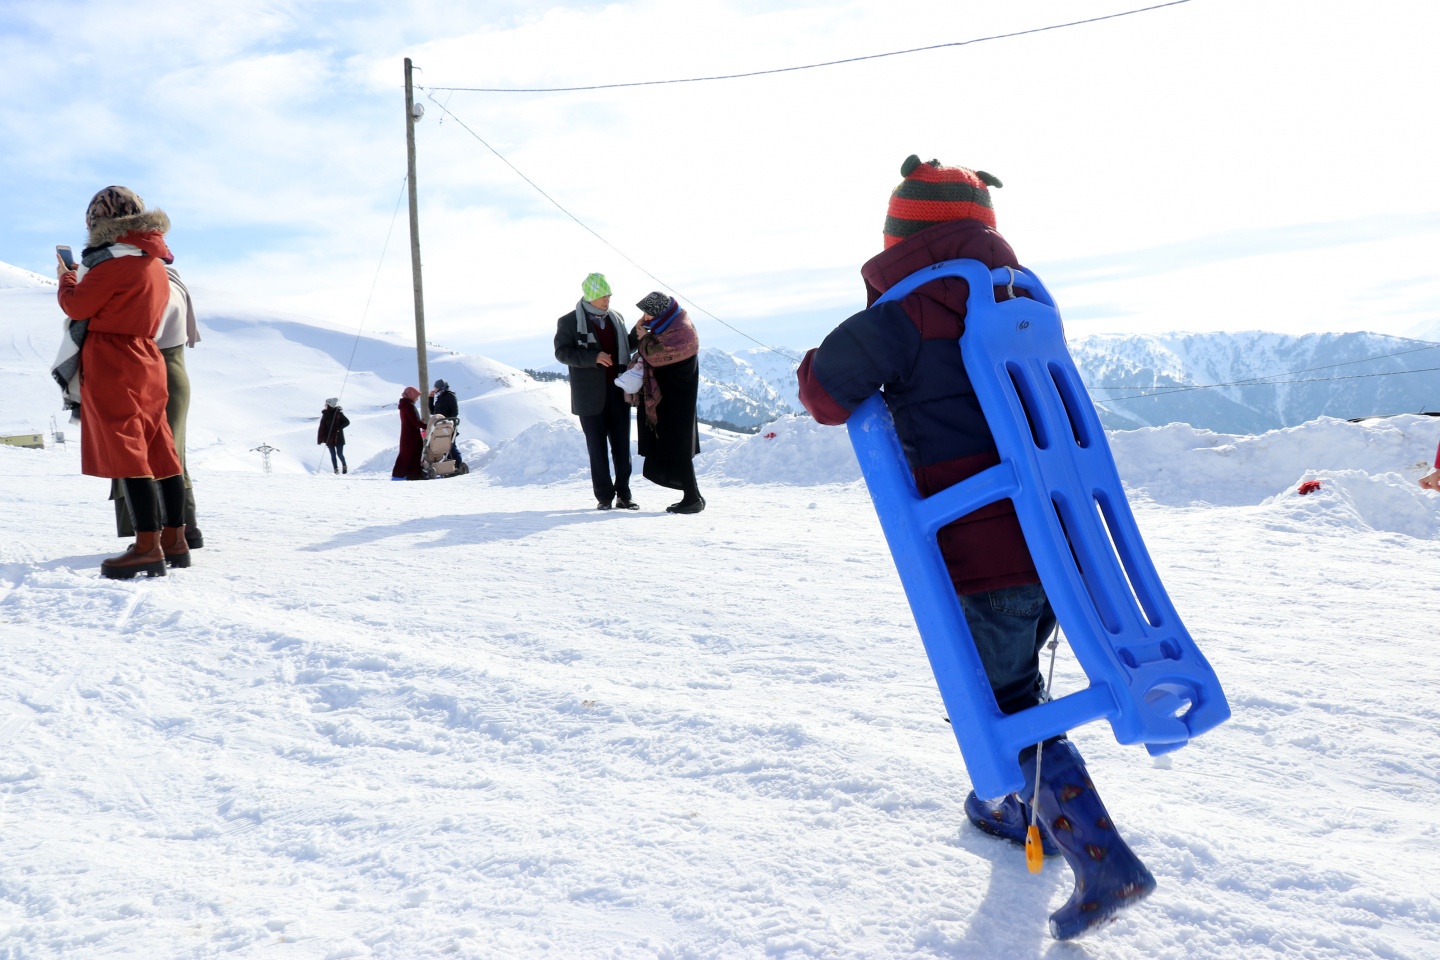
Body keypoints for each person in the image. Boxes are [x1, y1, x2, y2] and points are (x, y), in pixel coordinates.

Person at [797, 156, 1154, 940]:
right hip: (1060, 542)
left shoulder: (912, 309)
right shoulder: (1024, 301)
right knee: (1017, 678)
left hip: (984, 550)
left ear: (900, 238)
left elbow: (825, 393)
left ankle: (1102, 860)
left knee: (1003, 702)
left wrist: (819, 360)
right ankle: (1020, 807)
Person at [57, 186, 190, 578]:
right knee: (159, 445)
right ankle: (175, 539)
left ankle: (147, 547)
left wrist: (66, 278)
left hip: (114, 359)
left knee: (127, 448)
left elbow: (77, 305)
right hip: (147, 356)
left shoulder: (112, 263)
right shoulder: (154, 262)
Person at [110, 262, 204, 547]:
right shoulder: (171, 277)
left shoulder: (141, 281)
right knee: (172, 454)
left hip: (146, 374)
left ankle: (158, 534)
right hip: (173, 374)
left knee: (141, 455)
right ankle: (184, 528)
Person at [554, 273, 639, 509]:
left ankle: (624, 495)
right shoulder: (569, 321)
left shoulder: (616, 318)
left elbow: (624, 347)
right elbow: (562, 352)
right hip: (589, 397)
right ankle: (604, 497)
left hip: (619, 391)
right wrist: (593, 357)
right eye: (603, 296)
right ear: (591, 296)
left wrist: (637, 334)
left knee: (622, 447)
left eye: (609, 295)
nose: (607, 300)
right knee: (597, 448)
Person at [631, 291, 703, 514]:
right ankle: (693, 495)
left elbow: (656, 356)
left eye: (648, 313)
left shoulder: (681, 332)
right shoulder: (671, 325)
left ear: (661, 313)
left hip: (676, 397)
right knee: (676, 443)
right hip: (671, 395)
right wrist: (644, 332)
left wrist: (643, 338)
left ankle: (692, 498)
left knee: (678, 445)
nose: (646, 318)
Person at [427, 379, 463, 468]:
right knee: (443, 446)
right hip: (440, 426)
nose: (435, 390)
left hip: (448, 425)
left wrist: (449, 422)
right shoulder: (440, 398)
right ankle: (450, 466)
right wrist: (431, 398)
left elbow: (454, 411)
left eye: (436, 388)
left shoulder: (450, 396)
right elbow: (433, 411)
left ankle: (458, 465)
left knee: (451, 446)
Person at [391, 386, 425, 480]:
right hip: (411, 435)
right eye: (416, 396)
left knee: (410, 454)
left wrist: (420, 422)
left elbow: (412, 420)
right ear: (411, 395)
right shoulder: (408, 406)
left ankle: (410, 475)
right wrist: (427, 426)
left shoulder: (406, 405)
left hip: (409, 434)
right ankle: (404, 475)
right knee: (411, 454)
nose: (417, 399)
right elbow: (414, 421)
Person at [317, 398, 350, 474]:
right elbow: (323, 427)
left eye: (326, 404)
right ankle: (336, 469)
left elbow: (347, 422)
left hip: (338, 437)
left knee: (339, 454)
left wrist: (338, 428)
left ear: (329, 405)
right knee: (333, 454)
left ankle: (344, 465)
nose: (324, 406)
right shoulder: (325, 415)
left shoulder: (338, 414)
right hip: (329, 438)